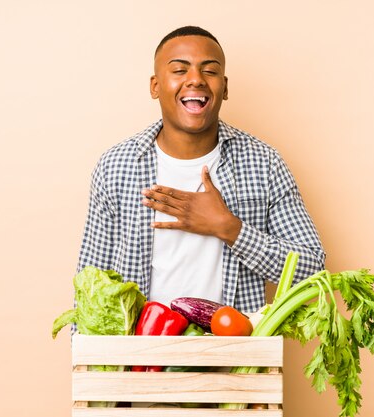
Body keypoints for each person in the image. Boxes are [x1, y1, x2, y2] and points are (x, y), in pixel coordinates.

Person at [76, 26, 325, 314]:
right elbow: (89, 285)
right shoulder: (116, 166)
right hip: (142, 355)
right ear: (155, 86)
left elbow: (312, 272)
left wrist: (229, 228)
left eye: (209, 71)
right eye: (180, 70)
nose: (195, 80)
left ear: (225, 87)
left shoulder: (264, 163)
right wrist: (85, 356)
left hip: (235, 355)